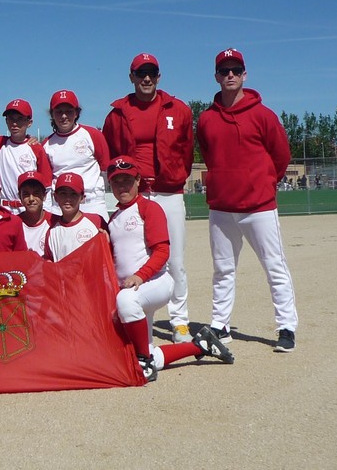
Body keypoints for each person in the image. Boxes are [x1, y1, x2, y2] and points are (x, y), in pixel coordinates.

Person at [197, 48, 299, 353]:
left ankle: (286, 327)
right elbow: (208, 153)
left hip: (259, 207)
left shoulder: (264, 115)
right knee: (223, 269)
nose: (230, 75)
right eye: (224, 70)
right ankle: (220, 324)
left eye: (235, 70)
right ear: (216, 76)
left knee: (274, 267)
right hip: (222, 207)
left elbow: (281, 157)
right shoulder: (206, 119)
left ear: (244, 75)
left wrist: (264, 182)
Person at [106, 156, 234, 382]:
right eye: (116, 182)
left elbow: (163, 252)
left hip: (155, 282)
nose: (122, 186)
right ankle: (200, 346)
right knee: (134, 354)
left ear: (138, 180)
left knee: (126, 302)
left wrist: (140, 276)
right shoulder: (114, 218)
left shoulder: (148, 207)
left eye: (127, 180)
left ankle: (145, 363)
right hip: (134, 291)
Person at [102, 52, 195, 343]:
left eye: (151, 73)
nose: (146, 78)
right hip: (136, 194)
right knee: (134, 260)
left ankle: (180, 321)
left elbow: (187, 152)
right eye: (140, 73)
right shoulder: (117, 114)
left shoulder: (178, 109)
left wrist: (175, 176)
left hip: (168, 192)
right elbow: (111, 152)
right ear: (131, 77)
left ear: (159, 76)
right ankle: (144, 320)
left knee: (175, 260)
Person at [42, 90, 110, 220]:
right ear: (52, 114)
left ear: (77, 113)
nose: (63, 116)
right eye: (59, 111)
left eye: (68, 111)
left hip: (91, 203)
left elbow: (105, 169)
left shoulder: (92, 134)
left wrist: (99, 192)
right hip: (61, 206)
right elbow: (47, 182)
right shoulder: (46, 144)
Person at [0, 99, 53, 214]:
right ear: (6, 121)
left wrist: (46, 212)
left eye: (20, 119)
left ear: (29, 123)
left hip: (29, 208)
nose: (15, 123)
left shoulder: (36, 148)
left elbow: (47, 186)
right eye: (11, 119)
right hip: (5, 208)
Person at [42, 172, 109, 262]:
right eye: (63, 193)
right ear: (55, 197)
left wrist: (107, 244)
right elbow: (50, 262)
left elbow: (108, 257)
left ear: (82, 198)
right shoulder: (52, 231)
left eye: (73, 194)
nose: (68, 199)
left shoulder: (96, 222)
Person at [16, 171, 52, 257]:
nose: (31, 199)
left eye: (36, 194)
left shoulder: (54, 222)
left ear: (44, 195)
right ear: (19, 197)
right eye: (26, 194)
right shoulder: (13, 224)